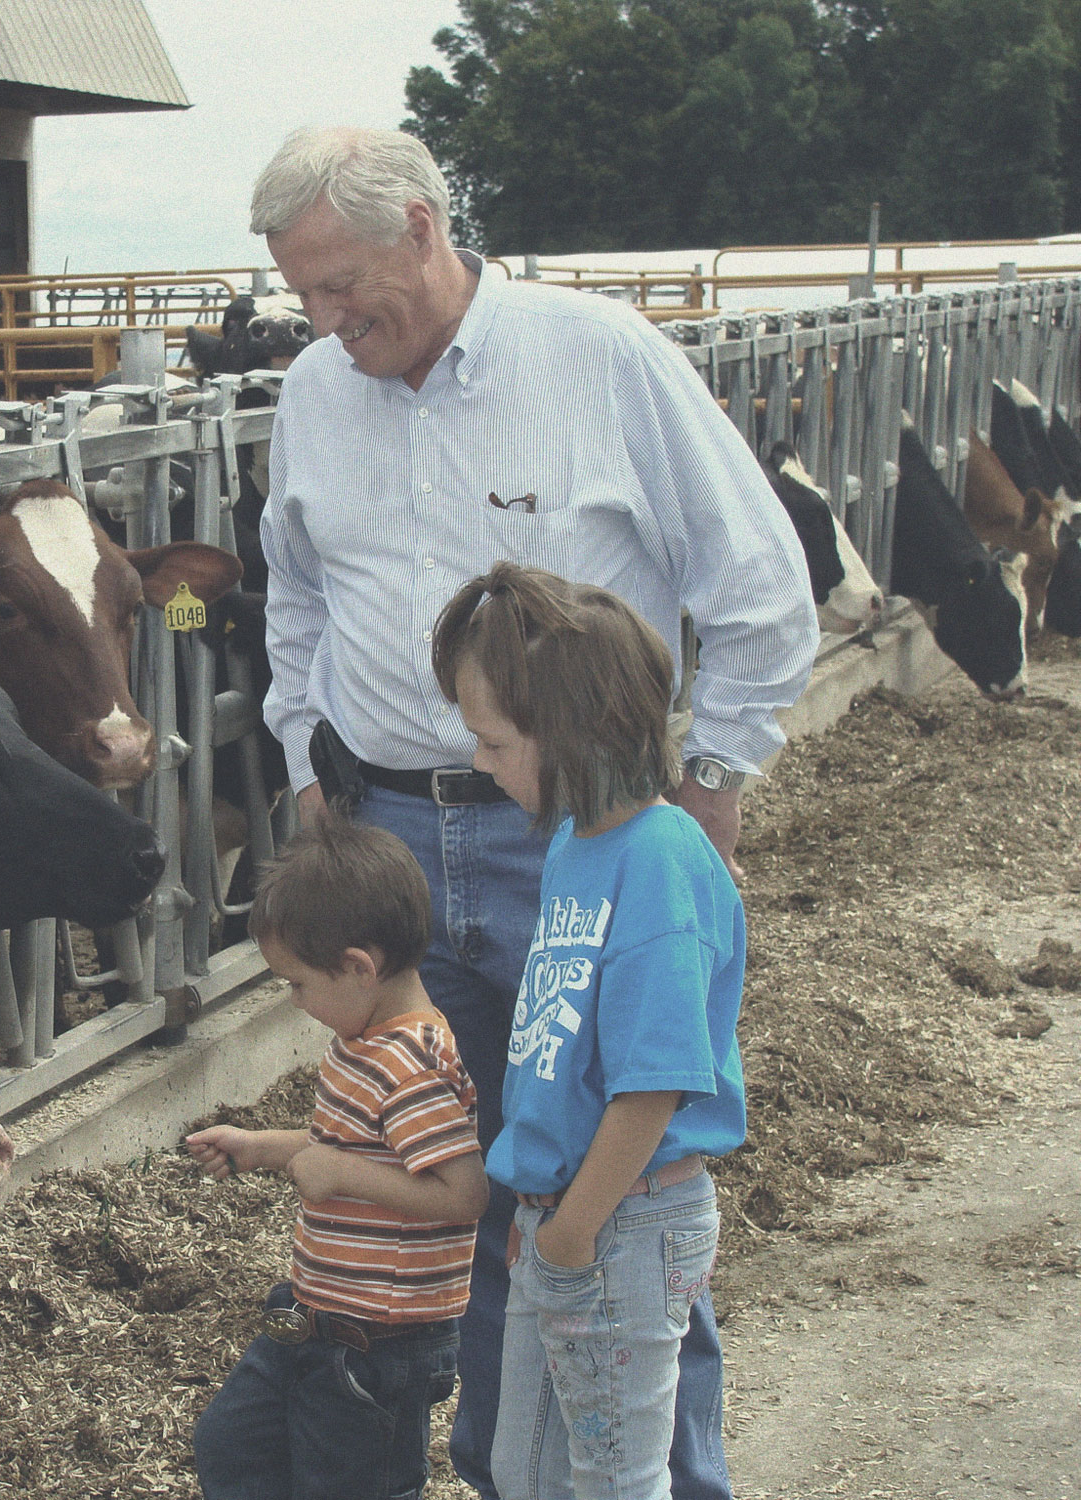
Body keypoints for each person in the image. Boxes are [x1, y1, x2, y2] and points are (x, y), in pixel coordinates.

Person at [250, 124, 817, 1500]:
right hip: (387, 839)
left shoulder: (601, 358)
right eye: (302, 296)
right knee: (477, 1183)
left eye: (341, 287)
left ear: (425, 227)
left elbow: (759, 588)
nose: (324, 324)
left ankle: (663, 1484)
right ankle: (520, 1479)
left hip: (568, 843)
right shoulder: (315, 394)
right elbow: (295, 596)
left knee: (611, 1195)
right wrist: (306, 775)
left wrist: (703, 795)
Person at [432, 561, 745, 1499]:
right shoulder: (576, 843)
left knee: (613, 1480)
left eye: (493, 740)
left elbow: (653, 1082)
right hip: (564, 1214)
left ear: (567, 731)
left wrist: (572, 1231)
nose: (480, 762)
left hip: (624, 1219)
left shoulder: (656, 857)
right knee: (523, 1470)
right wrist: (545, 1214)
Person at [185, 816, 489, 1500]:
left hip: (378, 1343)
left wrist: (344, 1174)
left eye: (296, 984)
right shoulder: (365, 1041)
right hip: (314, 1317)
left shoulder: (409, 1065)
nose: (295, 1002)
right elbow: (347, 1147)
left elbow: (464, 1193)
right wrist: (261, 1147)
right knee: (230, 1443)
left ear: (358, 967)